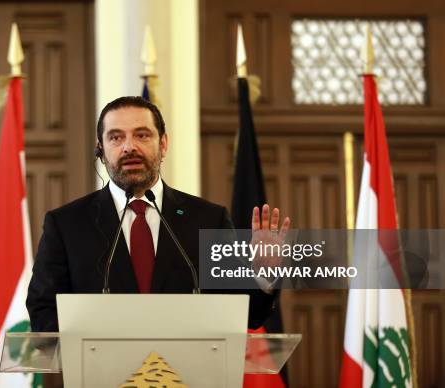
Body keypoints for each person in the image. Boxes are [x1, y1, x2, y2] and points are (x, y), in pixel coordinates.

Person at [26, 96, 290, 332]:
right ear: (101, 150)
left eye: (142, 135)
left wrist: (262, 275)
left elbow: (246, 315)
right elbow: (42, 313)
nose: (129, 147)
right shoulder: (67, 224)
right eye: (116, 137)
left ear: (163, 144)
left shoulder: (209, 220)